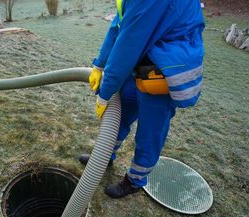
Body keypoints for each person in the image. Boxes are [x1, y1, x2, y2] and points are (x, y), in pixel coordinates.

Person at [80, 0, 205, 198]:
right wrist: (99, 65)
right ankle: (104, 156)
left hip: (164, 69)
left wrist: (105, 94)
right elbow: (119, 25)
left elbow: (129, 43)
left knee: (149, 131)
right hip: (142, 60)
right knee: (120, 114)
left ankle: (135, 180)